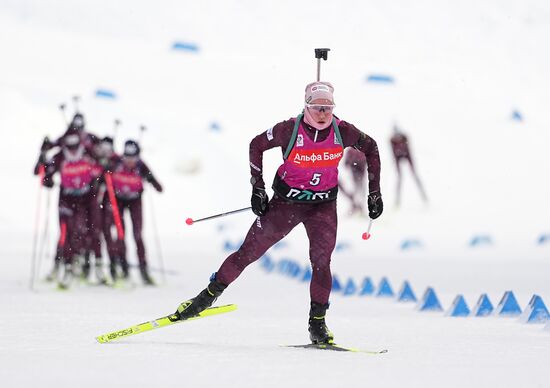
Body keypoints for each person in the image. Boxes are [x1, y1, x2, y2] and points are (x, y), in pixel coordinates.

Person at [174, 81, 383, 344]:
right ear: (306, 107)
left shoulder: (343, 131)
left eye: (328, 108)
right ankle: (204, 298)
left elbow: (372, 147)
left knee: (321, 263)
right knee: (247, 253)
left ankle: (317, 324)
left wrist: (374, 193)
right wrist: (257, 188)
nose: (323, 114)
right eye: (317, 108)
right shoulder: (289, 129)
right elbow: (256, 145)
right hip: (286, 205)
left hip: (322, 207)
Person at [42, 129, 102, 288]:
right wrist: (46, 175)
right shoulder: (60, 155)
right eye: (69, 144)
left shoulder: (87, 152)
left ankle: (77, 263)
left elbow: (101, 166)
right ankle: (64, 265)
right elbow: (44, 172)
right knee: (65, 233)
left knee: (81, 231)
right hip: (66, 199)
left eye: (74, 143)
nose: (72, 148)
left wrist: (99, 174)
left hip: (84, 199)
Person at [108, 140, 163, 285]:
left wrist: (154, 182)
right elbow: (104, 169)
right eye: (127, 157)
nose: (130, 161)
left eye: (133, 158)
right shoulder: (116, 162)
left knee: (138, 235)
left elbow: (155, 181)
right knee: (120, 234)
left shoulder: (141, 165)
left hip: (135, 201)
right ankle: (123, 267)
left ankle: (143, 269)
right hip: (118, 201)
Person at [390, 124, 427, 207]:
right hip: (398, 157)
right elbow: (393, 152)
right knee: (399, 177)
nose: (397, 137)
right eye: (396, 136)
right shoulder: (391, 140)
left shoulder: (405, 137)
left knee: (415, 175)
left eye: (398, 136)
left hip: (407, 155)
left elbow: (409, 150)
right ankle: (397, 200)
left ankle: (424, 196)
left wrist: (404, 153)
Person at [338, 147, 367, 216]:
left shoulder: (353, 151)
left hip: (358, 173)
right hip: (355, 173)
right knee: (358, 190)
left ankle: (358, 206)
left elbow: (347, 163)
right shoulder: (355, 151)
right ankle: (357, 206)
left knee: (359, 189)